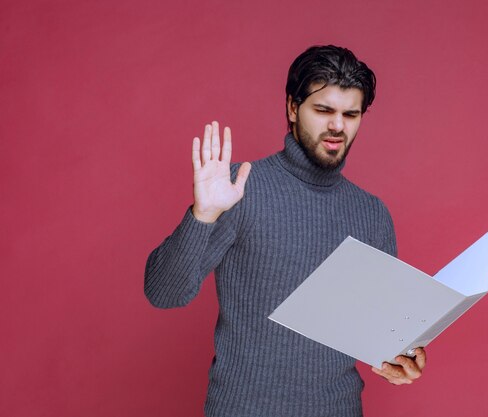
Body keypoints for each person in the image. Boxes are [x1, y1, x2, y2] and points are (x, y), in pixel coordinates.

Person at [145, 45, 426, 417]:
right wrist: (203, 214)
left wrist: (403, 360)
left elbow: (382, 334)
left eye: (350, 114)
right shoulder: (240, 190)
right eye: (323, 110)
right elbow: (164, 293)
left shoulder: (372, 213)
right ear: (293, 109)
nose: (338, 126)